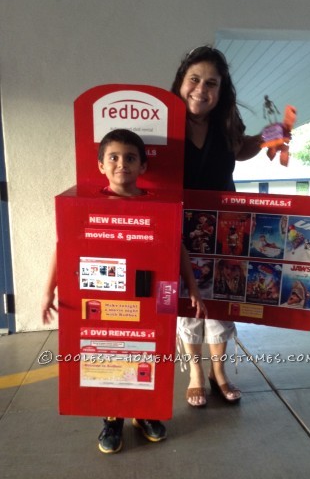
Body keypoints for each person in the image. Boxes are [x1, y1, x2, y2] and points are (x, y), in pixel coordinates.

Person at [41, 129, 207, 453]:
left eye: (130, 158)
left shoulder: (161, 206)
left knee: (149, 353)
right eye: (113, 157)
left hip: (152, 297)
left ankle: (144, 413)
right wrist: (49, 290)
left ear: (143, 166)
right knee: (108, 354)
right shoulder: (84, 205)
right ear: (101, 165)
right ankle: (112, 418)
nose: (121, 164)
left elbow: (178, 248)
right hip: (104, 299)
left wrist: (193, 287)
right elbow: (63, 249)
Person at [171, 45, 264, 407]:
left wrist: (270, 136)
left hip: (226, 227)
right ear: (181, 82)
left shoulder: (226, 121)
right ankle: (196, 373)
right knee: (188, 304)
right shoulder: (162, 121)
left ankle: (218, 372)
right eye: (194, 79)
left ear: (221, 90)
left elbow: (242, 148)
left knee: (221, 301)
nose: (201, 89)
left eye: (212, 83)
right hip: (179, 229)